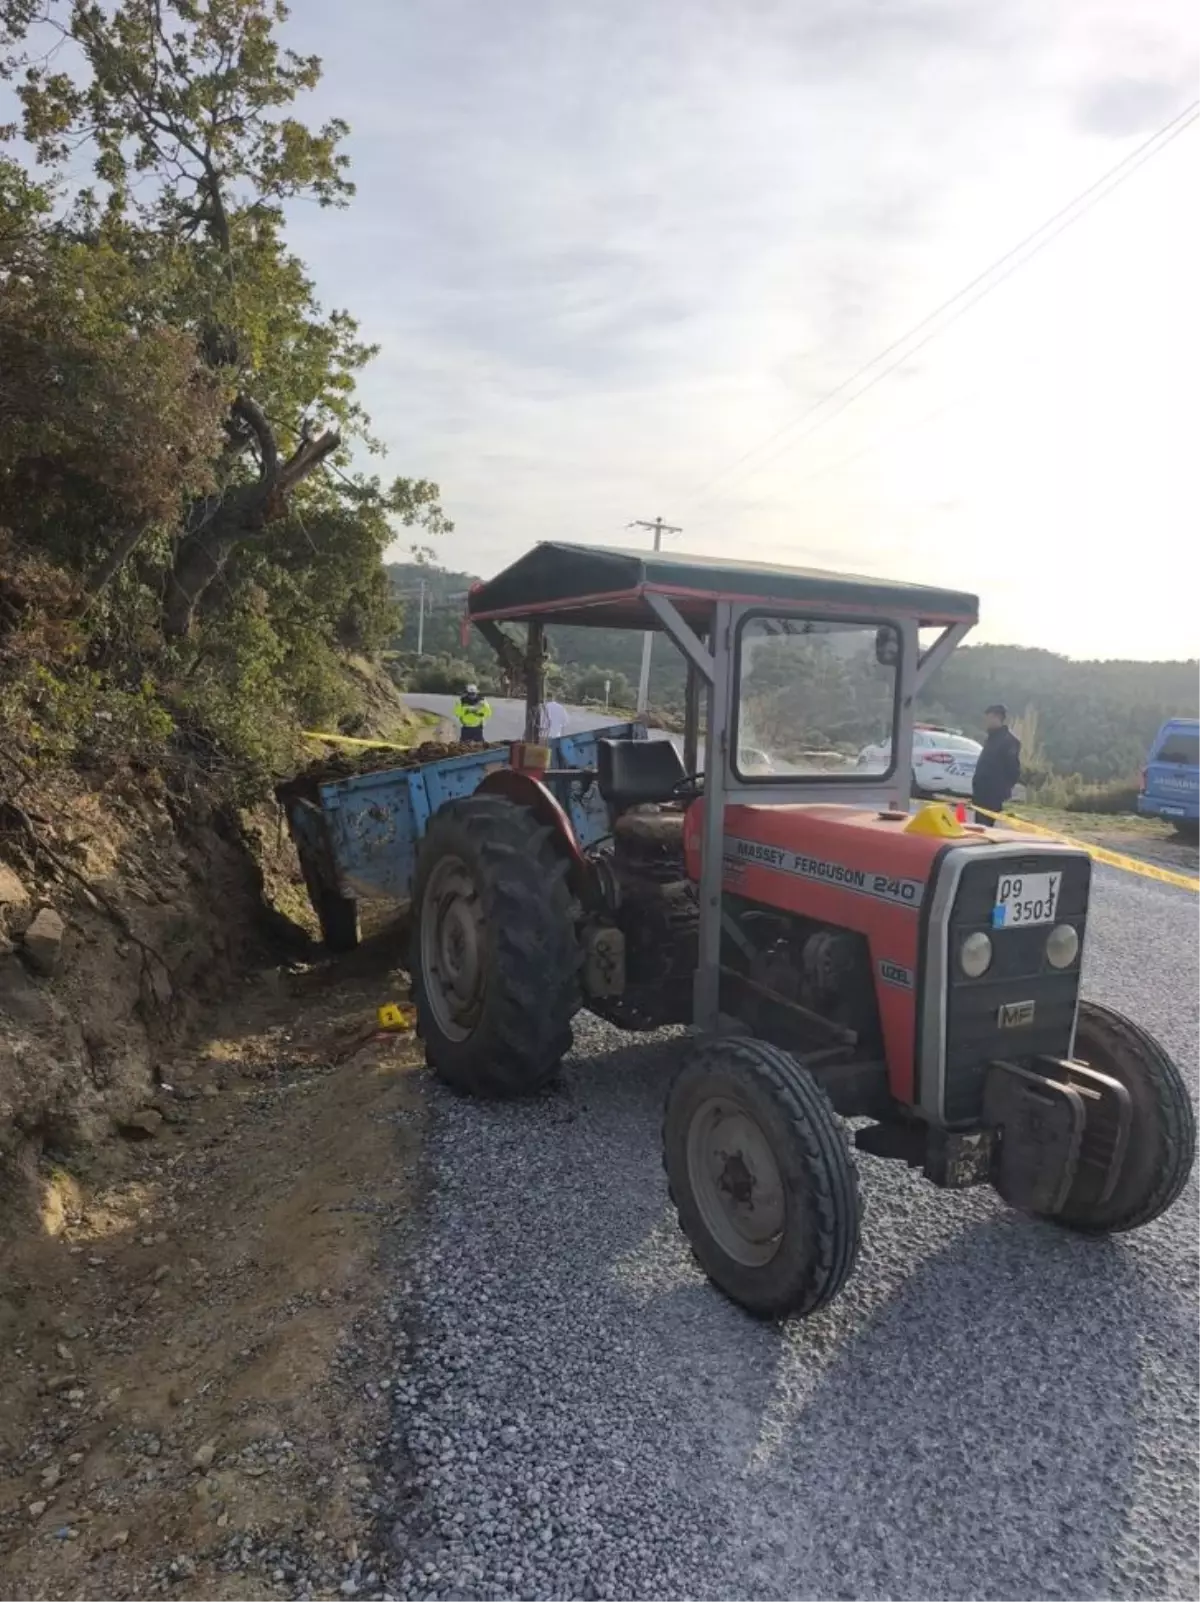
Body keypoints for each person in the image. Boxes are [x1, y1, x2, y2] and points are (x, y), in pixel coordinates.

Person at [972, 703, 1022, 825]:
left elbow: (1013, 770)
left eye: (989, 718)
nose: (986, 721)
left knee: (985, 826)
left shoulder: (1008, 741)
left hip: (993, 794)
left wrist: (1002, 790)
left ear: (997, 717)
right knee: (979, 826)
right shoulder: (991, 738)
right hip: (980, 793)